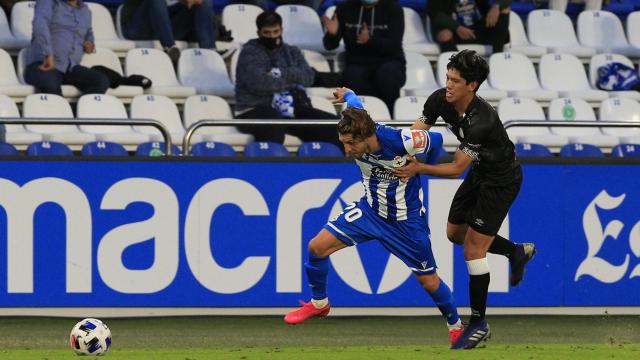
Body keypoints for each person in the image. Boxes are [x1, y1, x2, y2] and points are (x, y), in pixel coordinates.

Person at [283, 87, 465, 347]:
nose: (346, 150)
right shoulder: (356, 122)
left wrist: (420, 169)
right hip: (369, 212)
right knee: (317, 246)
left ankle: (456, 328)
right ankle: (319, 304)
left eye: (350, 144)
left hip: (405, 221)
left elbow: (435, 141)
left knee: (428, 280)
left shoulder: (403, 141)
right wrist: (347, 94)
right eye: (343, 143)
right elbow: (355, 104)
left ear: (368, 136)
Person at [392, 50, 536, 349]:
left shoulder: (481, 120)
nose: (448, 85)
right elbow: (417, 132)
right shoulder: (439, 100)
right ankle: (514, 251)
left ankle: (479, 322)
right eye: (447, 77)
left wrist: (418, 167)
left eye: (455, 81)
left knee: (473, 250)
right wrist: (393, 149)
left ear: (472, 85)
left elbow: (457, 168)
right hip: (480, 173)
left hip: (501, 180)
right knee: (455, 234)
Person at [235, 11, 340, 146]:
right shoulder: (249, 52)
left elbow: (308, 77)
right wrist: (293, 81)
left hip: (293, 108)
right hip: (254, 109)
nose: (272, 36)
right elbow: (260, 83)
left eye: (275, 31)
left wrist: (277, 73)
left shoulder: (292, 51)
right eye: (267, 33)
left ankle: (330, 166)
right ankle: (270, 166)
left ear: (282, 30)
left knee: (334, 126)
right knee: (273, 123)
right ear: (259, 33)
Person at [322, 0, 406, 114]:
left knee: (387, 75)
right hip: (357, 63)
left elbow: (394, 45)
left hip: (389, 61)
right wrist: (332, 35)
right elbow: (329, 45)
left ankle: (390, 115)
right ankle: (364, 118)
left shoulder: (394, 9)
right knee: (354, 76)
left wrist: (370, 41)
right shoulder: (344, 9)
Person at [24, 0, 110, 96]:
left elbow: (89, 32)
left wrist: (90, 43)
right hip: (43, 64)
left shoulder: (85, 10)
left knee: (101, 81)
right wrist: (48, 53)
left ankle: (80, 110)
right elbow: (40, 24)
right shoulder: (49, 2)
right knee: (51, 83)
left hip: (70, 67)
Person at [120, 0, 217, 64]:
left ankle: (210, 52)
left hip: (168, 26)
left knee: (204, 2)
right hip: (138, 27)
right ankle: (170, 48)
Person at [427, 0, 511, 53]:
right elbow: (435, 14)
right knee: (444, 34)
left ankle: (497, 59)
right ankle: (458, 68)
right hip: (456, 32)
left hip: (478, 29)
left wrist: (496, 6)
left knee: (505, 9)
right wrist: (457, 27)